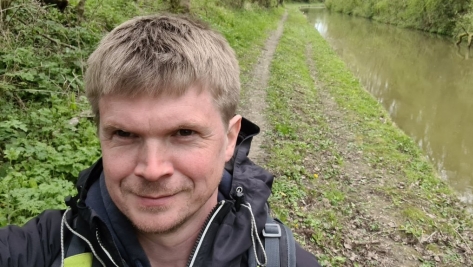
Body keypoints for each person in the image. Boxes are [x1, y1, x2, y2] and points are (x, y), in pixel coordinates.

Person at [0, 14, 320, 267]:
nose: (152, 170)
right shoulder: (44, 246)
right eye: (124, 134)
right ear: (101, 136)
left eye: (184, 133)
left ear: (229, 139)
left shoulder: (283, 260)